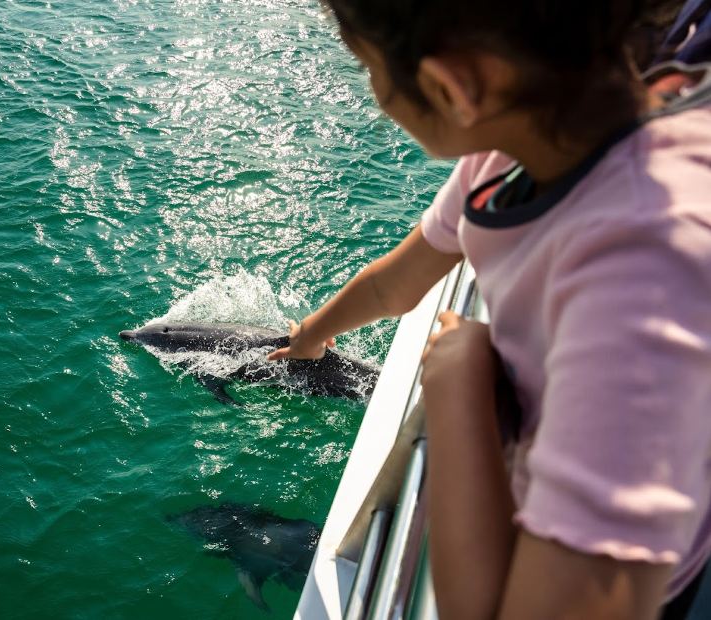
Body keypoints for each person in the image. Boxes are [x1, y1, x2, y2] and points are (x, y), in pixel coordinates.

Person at [266, 1, 711, 618]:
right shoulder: (520, 147)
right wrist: (311, 336)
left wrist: (457, 382)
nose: (374, 94)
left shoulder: (643, 277)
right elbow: (394, 285)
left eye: (368, 67)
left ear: (453, 88)